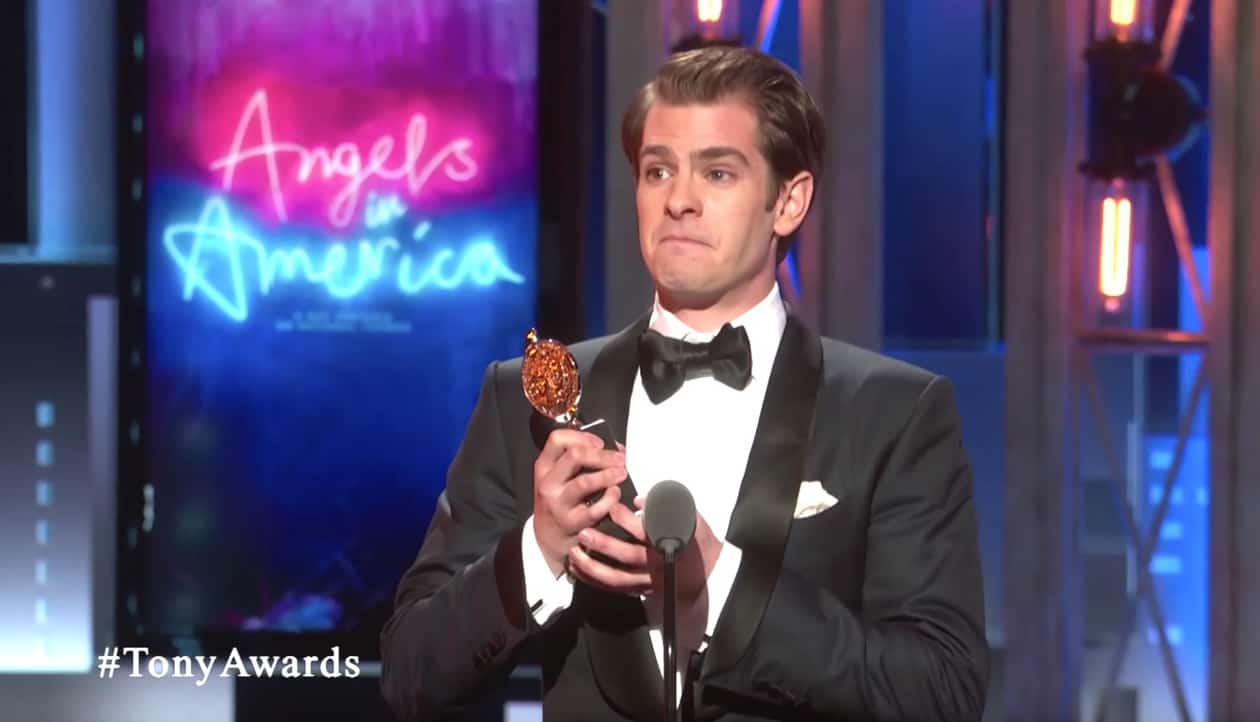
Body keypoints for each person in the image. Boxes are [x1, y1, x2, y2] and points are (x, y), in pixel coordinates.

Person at [381, 46, 989, 722]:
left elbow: (941, 694)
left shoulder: (895, 413)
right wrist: (537, 550)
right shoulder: (526, 398)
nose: (679, 200)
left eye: (718, 172)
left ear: (788, 201)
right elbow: (410, 674)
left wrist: (719, 584)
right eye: (658, 170)